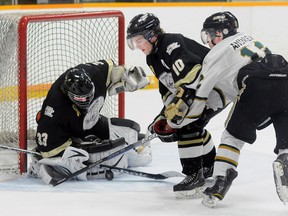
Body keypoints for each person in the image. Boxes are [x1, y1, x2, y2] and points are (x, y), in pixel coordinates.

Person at [182, 11, 288, 207]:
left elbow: (201, 93)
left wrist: (186, 119)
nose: (208, 40)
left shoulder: (214, 54)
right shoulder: (248, 38)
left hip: (256, 87)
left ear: (221, 33)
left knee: (232, 136)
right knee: (283, 120)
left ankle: (221, 181)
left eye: (210, 34)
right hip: (284, 79)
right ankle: (285, 157)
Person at [126, 13, 225, 198]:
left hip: (216, 86)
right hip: (202, 90)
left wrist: (176, 111)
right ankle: (209, 166)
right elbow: (168, 88)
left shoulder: (171, 43)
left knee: (186, 125)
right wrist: (163, 115)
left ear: (152, 35)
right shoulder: (152, 58)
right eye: (134, 41)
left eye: (139, 40)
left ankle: (194, 176)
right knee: (192, 123)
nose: (137, 45)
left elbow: (192, 78)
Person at [28, 59, 152, 184]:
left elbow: (113, 70)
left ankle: (130, 155)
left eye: (89, 96)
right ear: (68, 94)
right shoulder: (55, 109)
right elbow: (47, 149)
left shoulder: (94, 73)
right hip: (69, 132)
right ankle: (40, 167)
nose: (86, 101)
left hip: (90, 121)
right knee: (89, 159)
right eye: (80, 98)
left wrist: (127, 73)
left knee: (130, 131)